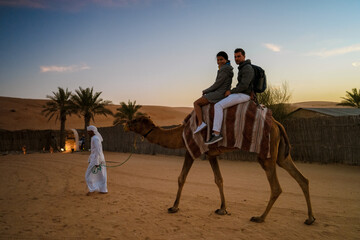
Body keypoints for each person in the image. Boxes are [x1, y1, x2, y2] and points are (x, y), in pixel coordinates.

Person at [205, 48, 254, 144]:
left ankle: (216, 134)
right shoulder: (243, 67)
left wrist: (231, 92)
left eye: (239, 56)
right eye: (235, 57)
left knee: (218, 105)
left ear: (244, 56)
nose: (237, 58)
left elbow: (244, 85)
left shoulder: (247, 68)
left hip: (244, 94)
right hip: (242, 93)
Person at [193, 51, 234, 134]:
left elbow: (217, 84)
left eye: (221, 59)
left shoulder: (224, 70)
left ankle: (200, 123)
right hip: (222, 91)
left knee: (196, 103)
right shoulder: (227, 69)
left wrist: (206, 91)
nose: (219, 62)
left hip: (219, 93)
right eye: (218, 60)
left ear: (226, 60)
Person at [85, 125, 108, 196]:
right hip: (98, 159)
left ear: (92, 131)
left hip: (97, 159)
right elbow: (94, 151)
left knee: (88, 175)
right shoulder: (94, 138)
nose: (88, 133)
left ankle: (92, 189)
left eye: (88, 132)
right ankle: (103, 189)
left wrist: (97, 161)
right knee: (101, 174)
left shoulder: (95, 138)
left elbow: (98, 151)